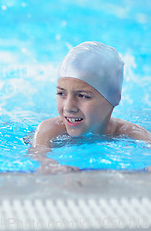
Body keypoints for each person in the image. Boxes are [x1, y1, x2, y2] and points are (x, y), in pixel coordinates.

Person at [30, 41, 151, 173]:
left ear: (114, 97)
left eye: (83, 96)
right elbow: (38, 154)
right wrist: (49, 165)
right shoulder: (49, 129)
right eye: (61, 93)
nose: (69, 107)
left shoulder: (128, 131)